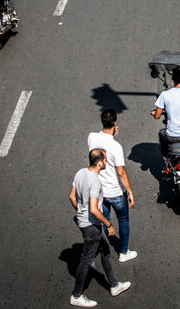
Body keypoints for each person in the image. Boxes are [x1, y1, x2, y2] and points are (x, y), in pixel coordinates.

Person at [69, 149, 131, 307]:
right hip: (91, 226)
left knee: (105, 250)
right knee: (86, 260)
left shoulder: (80, 173)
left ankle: (114, 285)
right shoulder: (95, 181)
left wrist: (80, 212)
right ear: (99, 162)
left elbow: (71, 196)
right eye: (105, 160)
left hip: (85, 222)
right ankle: (76, 295)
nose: (106, 162)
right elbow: (94, 209)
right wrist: (109, 224)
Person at [87, 109, 137, 263]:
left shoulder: (91, 137)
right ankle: (123, 252)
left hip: (99, 190)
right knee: (123, 220)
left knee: (103, 221)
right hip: (115, 192)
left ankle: (104, 249)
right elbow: (120, 172)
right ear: (115, 123)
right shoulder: (116, 147)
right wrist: (129, 192)